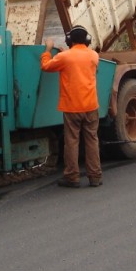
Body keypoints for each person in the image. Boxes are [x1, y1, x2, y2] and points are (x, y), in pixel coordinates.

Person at [40, 25, 102, 188]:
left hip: (72, 107)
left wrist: (48, 49)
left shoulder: (64, 57)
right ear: (87, 40)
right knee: (92, 141)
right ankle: (95, 177)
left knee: (72, 142)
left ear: (69, 40)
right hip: (91, 106)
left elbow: (46, 66)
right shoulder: (94, 56)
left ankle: (72, 177)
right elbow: (81, 63)